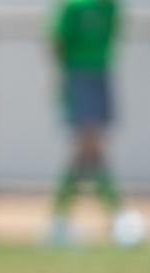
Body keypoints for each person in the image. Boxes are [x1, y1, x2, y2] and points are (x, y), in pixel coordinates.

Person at [49, 0, 122, 243]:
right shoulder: (74, 6)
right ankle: (114, 214)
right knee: (87, 148)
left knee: (90, 151)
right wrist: (63, 81)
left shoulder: (112, 6)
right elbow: (57, 41)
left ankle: (61, 219)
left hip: (101, 74)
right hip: (77, 75)